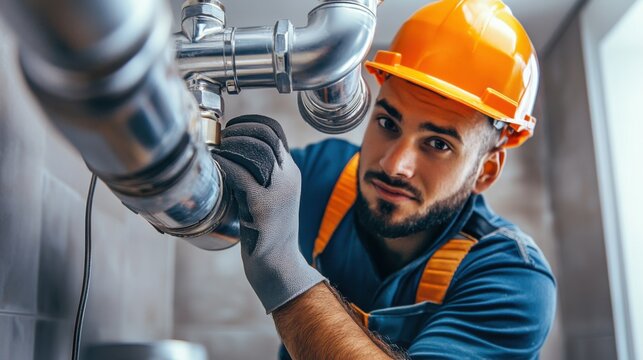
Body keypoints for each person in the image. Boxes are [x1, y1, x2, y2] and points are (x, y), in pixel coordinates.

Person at [211, 0, 556, 358]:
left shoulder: (512, 280)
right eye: (388, 123)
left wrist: (283, 271)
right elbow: (210, 204)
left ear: (486, 170)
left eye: (437, 144)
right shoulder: (322, 177)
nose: (394, 165)